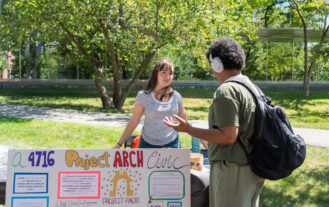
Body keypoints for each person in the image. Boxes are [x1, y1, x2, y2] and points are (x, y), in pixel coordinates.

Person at [163, 37, 264, 207]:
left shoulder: (227, 90)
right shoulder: (251, 87)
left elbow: (228, 136)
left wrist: (188, 129)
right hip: (251, 169)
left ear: (217, 64)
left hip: (233, 171)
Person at [113, 58, 187, 149]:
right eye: (163, 72)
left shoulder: (177, 97)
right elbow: (133, 122)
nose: (167, 76)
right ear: (156, 74)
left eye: (170, 73)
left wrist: (204, 141)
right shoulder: (143, 96)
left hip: (171, 144)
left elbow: (185, 124)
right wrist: (119, 144)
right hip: (147, 144)